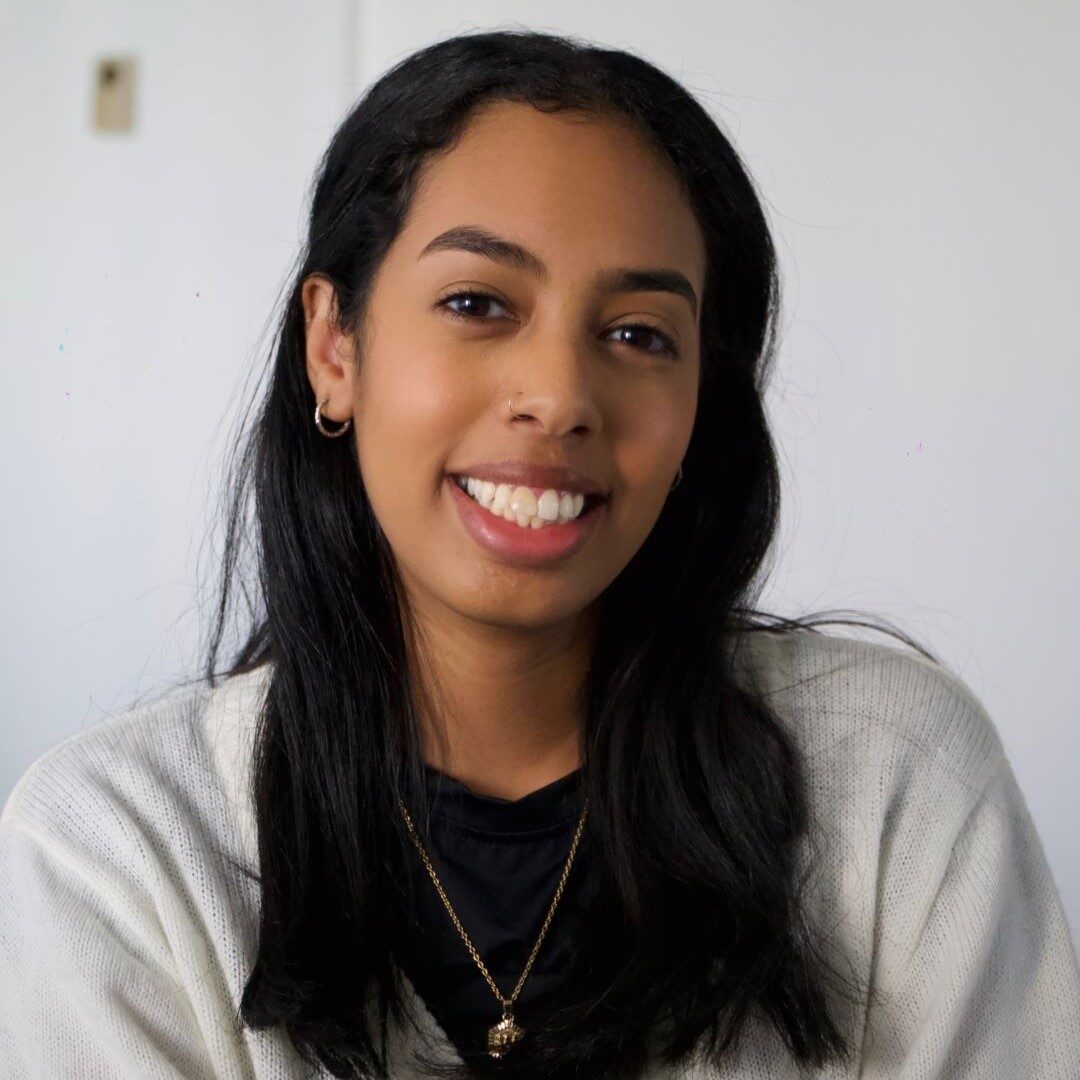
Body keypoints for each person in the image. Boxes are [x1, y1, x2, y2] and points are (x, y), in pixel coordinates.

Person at [2, 27, 1078, 1080]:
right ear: (336, 347)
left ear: (703, 398)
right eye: (477, 303)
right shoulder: (115, 851)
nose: (560, 398)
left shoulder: (899, 787)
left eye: (639, 335)